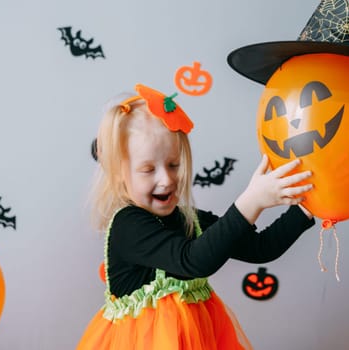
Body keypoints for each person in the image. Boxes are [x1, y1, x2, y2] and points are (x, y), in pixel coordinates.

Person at [77, 83, 315, 349]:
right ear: (120, 172)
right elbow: (193, 261)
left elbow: (260, 249)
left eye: (173, 164)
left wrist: (307, 207)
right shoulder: (129, 226)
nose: (166, 179)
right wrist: (252, 201)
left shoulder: (190, 220)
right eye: (147, 169)